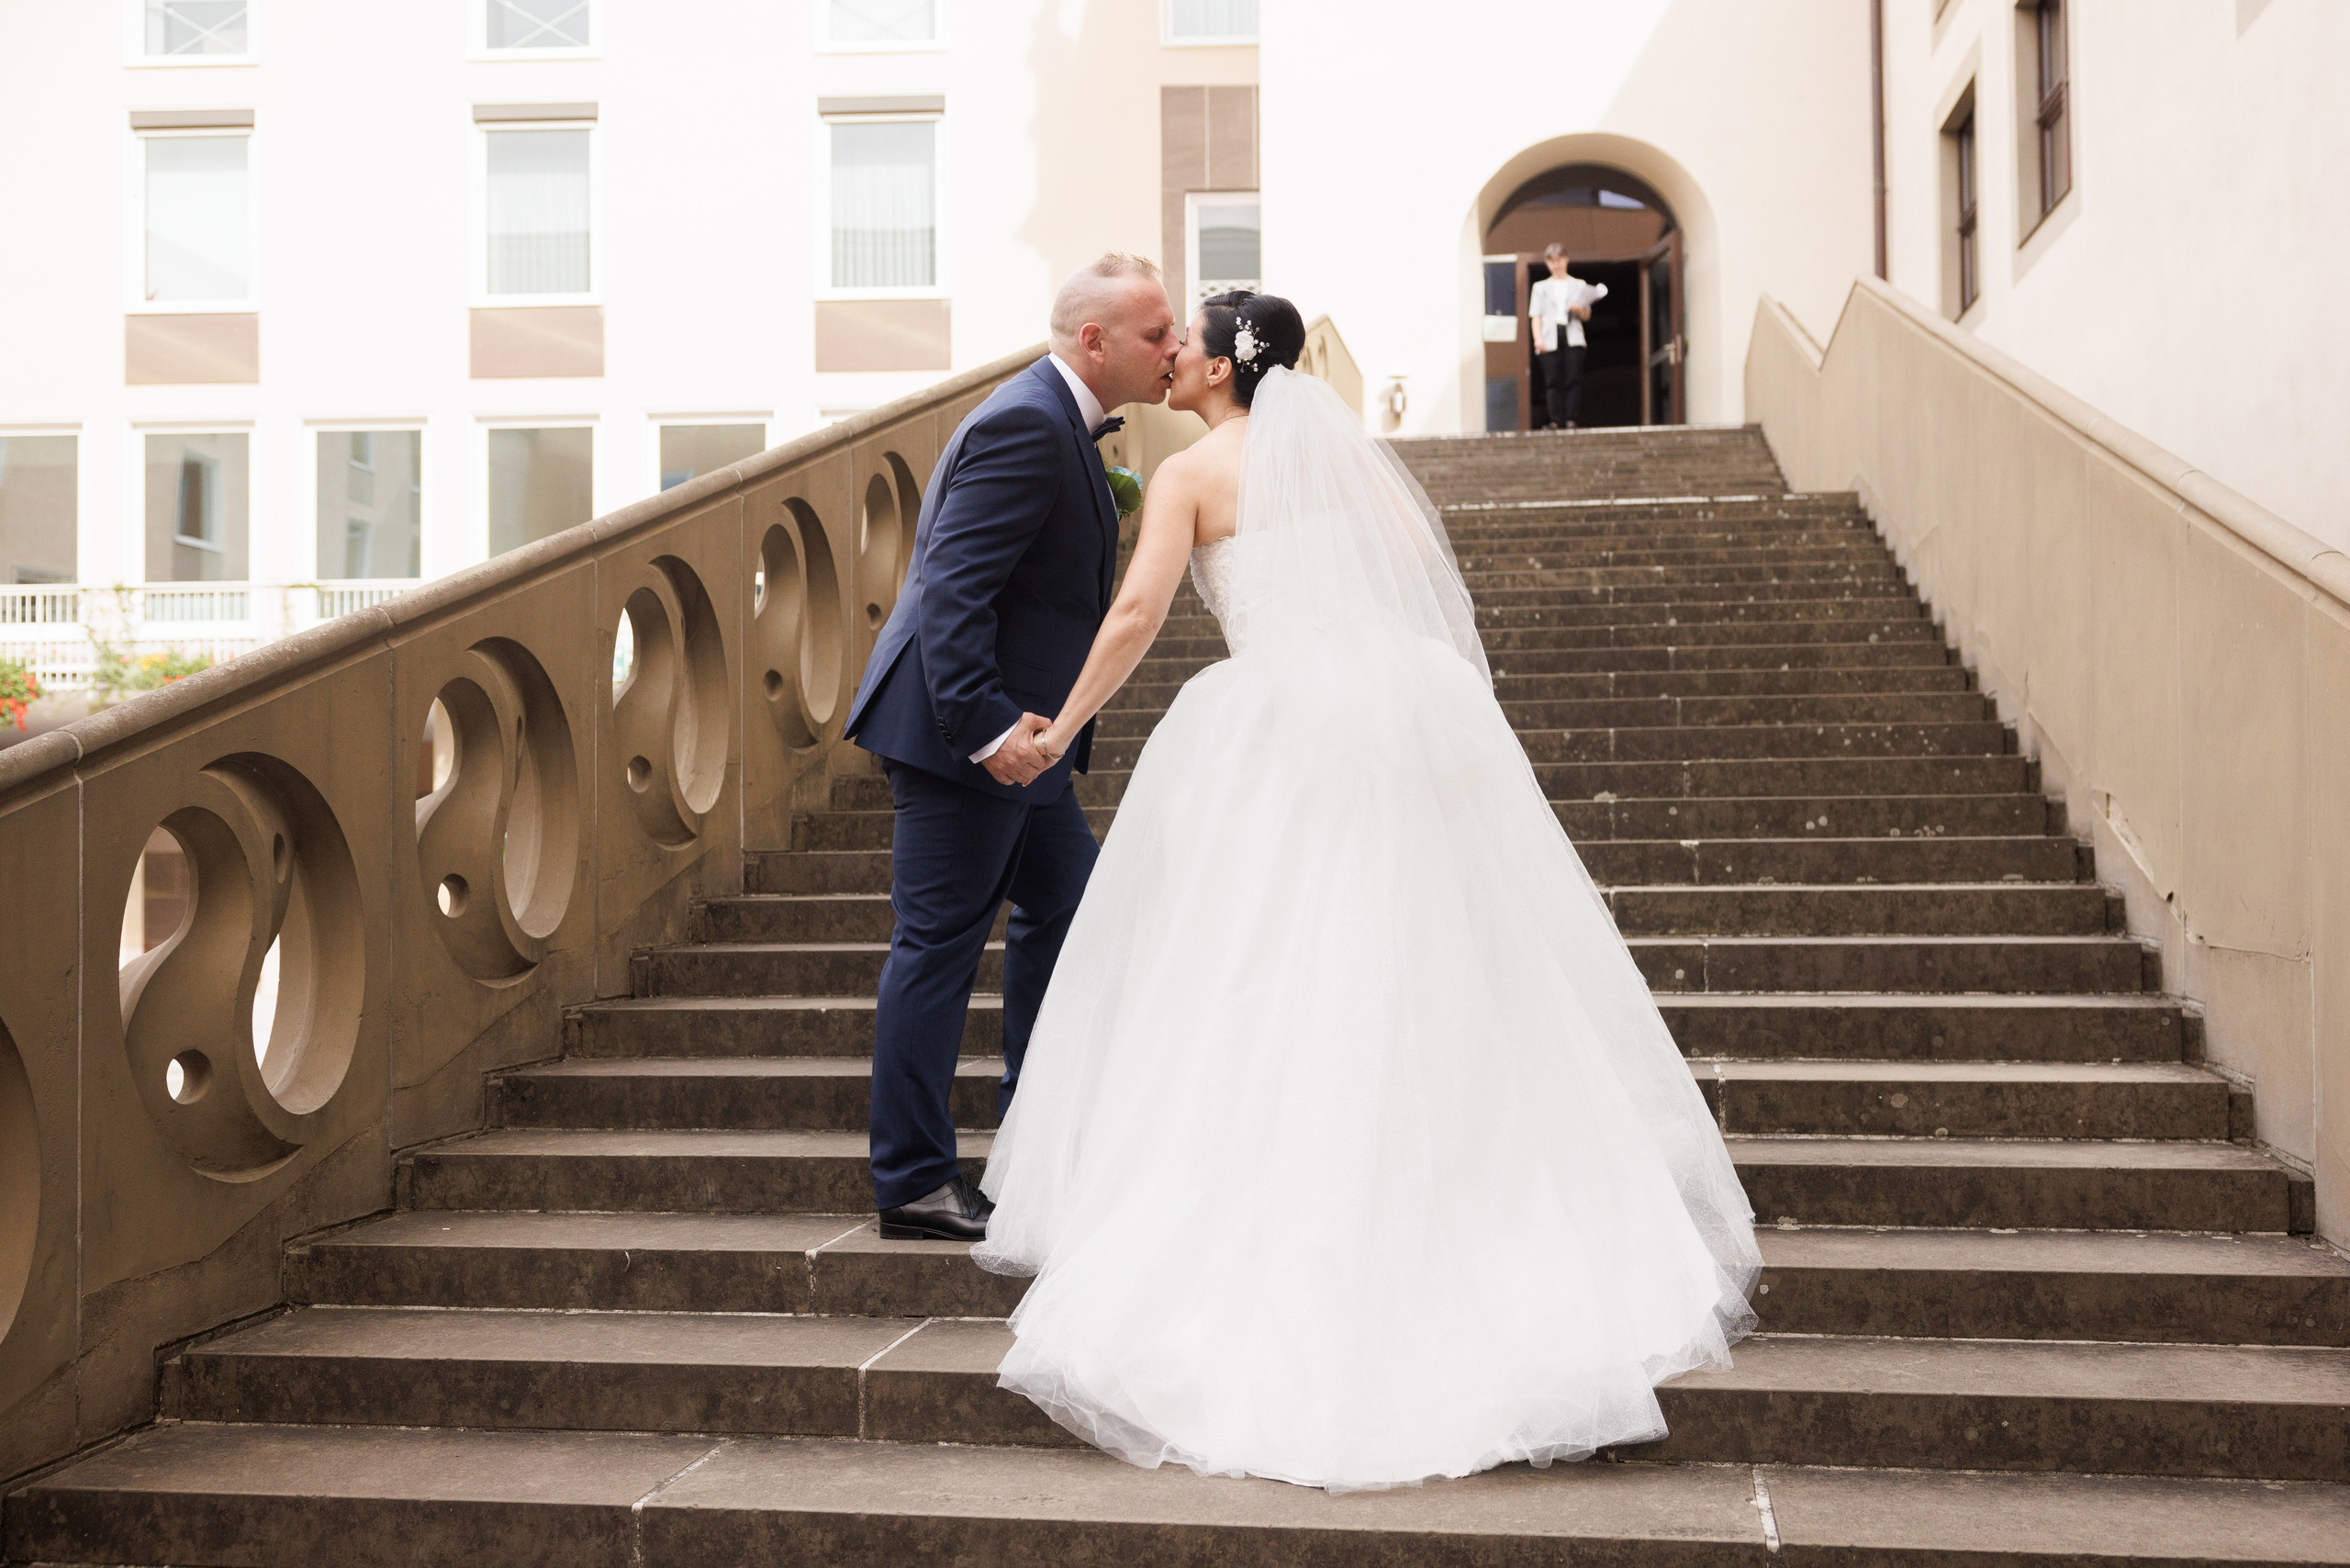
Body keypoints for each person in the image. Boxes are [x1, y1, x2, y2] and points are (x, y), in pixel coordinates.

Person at [972, 289, 1760, 1491]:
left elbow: (1136, 615)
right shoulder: (1345, 465)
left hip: (1279, 729)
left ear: (1228, 368)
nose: (1171, 355)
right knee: (1432, 965)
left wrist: (1059, 725)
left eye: (1187, 341)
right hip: (1397, 714)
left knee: (1267, 972)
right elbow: (1411, 576)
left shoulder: (1193, 476)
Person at [842, 253, 1181, 1243]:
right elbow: (951, 590)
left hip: (1024, 747)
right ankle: (910, 1176)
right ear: (1094, 341)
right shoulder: (1026, 424)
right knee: (937, 948)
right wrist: (987, 728)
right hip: (971, 745)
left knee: (1074, 914)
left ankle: (1035, 1131)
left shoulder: (1055, 422)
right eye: (1155, 333)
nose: (1171, 348)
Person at [1529, 243, 1605, 430]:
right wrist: (1538, 339)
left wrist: (1579, 309)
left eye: (1560, 260)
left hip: (1573, 335)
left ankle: (1571, 419)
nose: (1557, 265)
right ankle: (1555, 420)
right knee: (1552, 380)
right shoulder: (1540, 287)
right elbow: (1536, 316)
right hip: (1550, 336)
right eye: (1552, 261)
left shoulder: (1578, 284)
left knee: (1573, 378)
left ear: (1566, 260)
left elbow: (1587, 315)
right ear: (1548, 263)